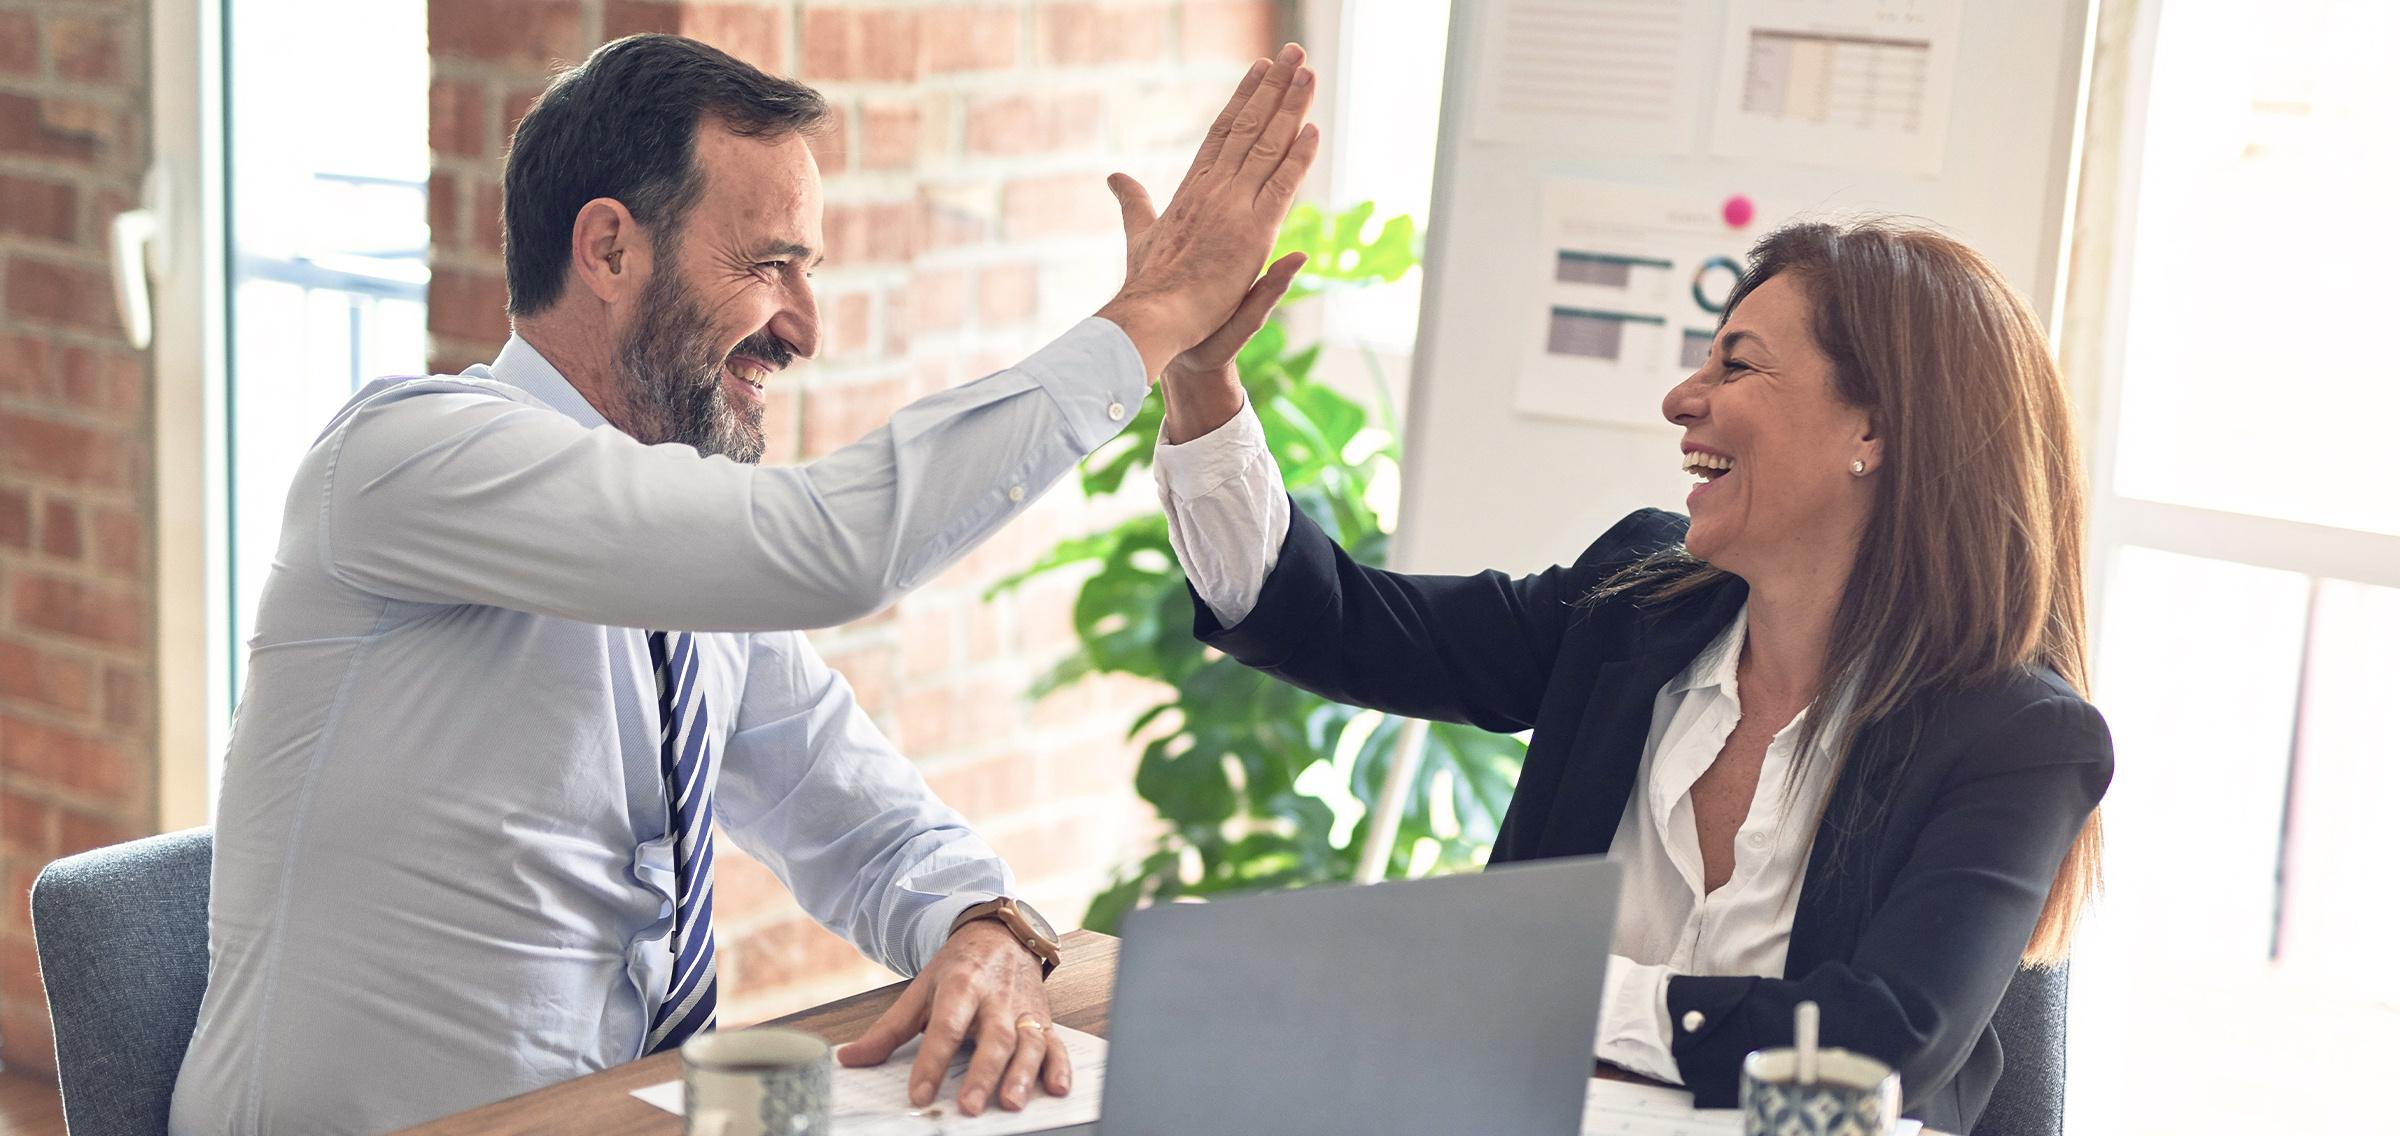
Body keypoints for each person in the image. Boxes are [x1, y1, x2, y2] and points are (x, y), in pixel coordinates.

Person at [169, 34, 1319, 1136]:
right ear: (610, 249)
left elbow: (860, 818)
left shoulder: (682, 557)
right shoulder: (409, 458)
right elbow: (830, 545)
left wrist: (984, 921)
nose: (804, 327)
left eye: (808, 271)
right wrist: (1150, 318)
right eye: (770, 265)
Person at [1150, 219, 2111, 1132]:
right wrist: (1202, 382)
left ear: (1875, 431)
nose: (1682, 399)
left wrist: (1549, 990)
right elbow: (1335, 623)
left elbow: (1874, 1050)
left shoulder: (2017, 737)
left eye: (1736, 363)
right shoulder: (1635, 605)